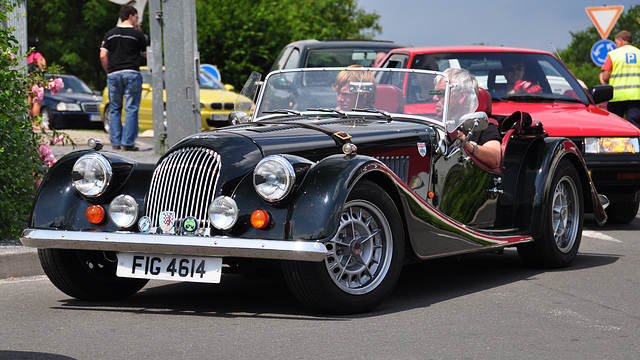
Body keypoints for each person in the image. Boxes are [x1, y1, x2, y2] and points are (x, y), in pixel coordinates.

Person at [100, 5, 147, 151]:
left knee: (114, 108)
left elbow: (102, 55)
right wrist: (140, 34)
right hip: (131, 73)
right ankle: (127, 143)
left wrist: (109, 71)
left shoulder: (110, 34)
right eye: (137, 18)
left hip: (114, 74)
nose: (137, 21)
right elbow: (147, 55)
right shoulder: (136, 35)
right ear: (131, 16)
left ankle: (115, 142)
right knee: (131, 108)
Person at [433, 68, 501, 169]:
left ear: (461, 96)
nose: (434, 98)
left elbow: (495, 159)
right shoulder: (432, 125)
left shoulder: (482, 126)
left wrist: (467, 145)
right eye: (435, 93)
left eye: (442, 93)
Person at [600, 30, 640, 128]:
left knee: (615, 126)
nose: (616, 45)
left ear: (621, 40)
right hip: (636, 96)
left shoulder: (613, 55)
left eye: (616, 42)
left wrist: (602, 78)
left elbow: (605, 77)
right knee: (634, 125)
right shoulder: (639, 53)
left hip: (617, 96)